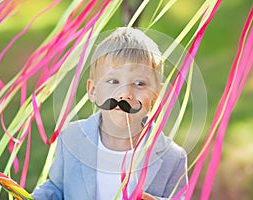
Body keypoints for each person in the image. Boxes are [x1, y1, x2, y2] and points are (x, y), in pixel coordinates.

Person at [31, 27, 187, 200]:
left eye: (139, 83)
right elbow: (56, 187)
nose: (124, 93)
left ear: (156, 97)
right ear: (93, 91)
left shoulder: (173, 157)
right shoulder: (71, 138)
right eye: (113, 81)